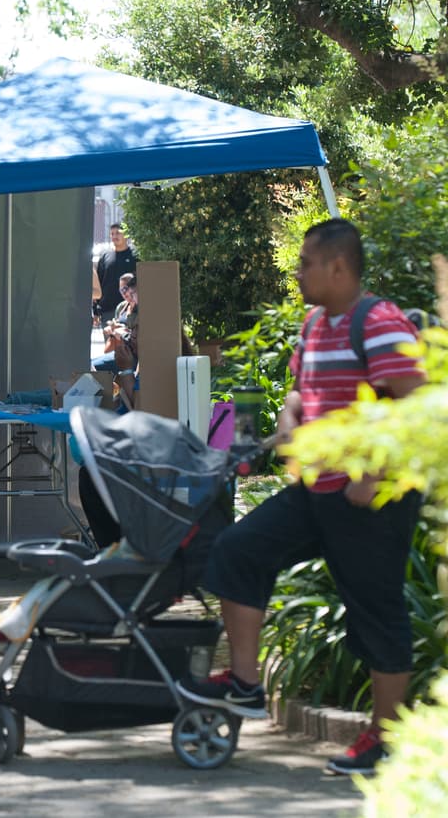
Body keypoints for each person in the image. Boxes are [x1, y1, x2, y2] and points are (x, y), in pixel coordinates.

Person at [177, 219, 424, 777]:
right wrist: (290, 419)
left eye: (306, 262)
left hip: (371, 496)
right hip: (316, 490)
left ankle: (388, 742)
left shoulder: (380, 323)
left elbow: (417, 405)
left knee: (376, 615)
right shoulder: (316, 325)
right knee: (238, 550)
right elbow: (299, 390)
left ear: (338, 268)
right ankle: (243, 684)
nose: (297, 271)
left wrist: (375, 472)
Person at [91, 272, 138, 373]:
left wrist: (121, 332)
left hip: (130, 355)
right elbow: (115, 323)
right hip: (119, 350)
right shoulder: (122, 307)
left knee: (92, 368)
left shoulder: (141, 308)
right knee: (89, 364)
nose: (125, 292)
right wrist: (112, 328)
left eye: (127, 288)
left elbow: (137, 336)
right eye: (121, 290)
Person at [93, 223, 136, 327]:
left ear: (126, 235)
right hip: (107, 310)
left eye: (118, 233)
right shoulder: (105, 256)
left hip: (129, 309)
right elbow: (98, 282)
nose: (114, 236)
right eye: (112, 234)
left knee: (128, 342)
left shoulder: (134, 256)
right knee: (110, 342)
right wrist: (95, 310)